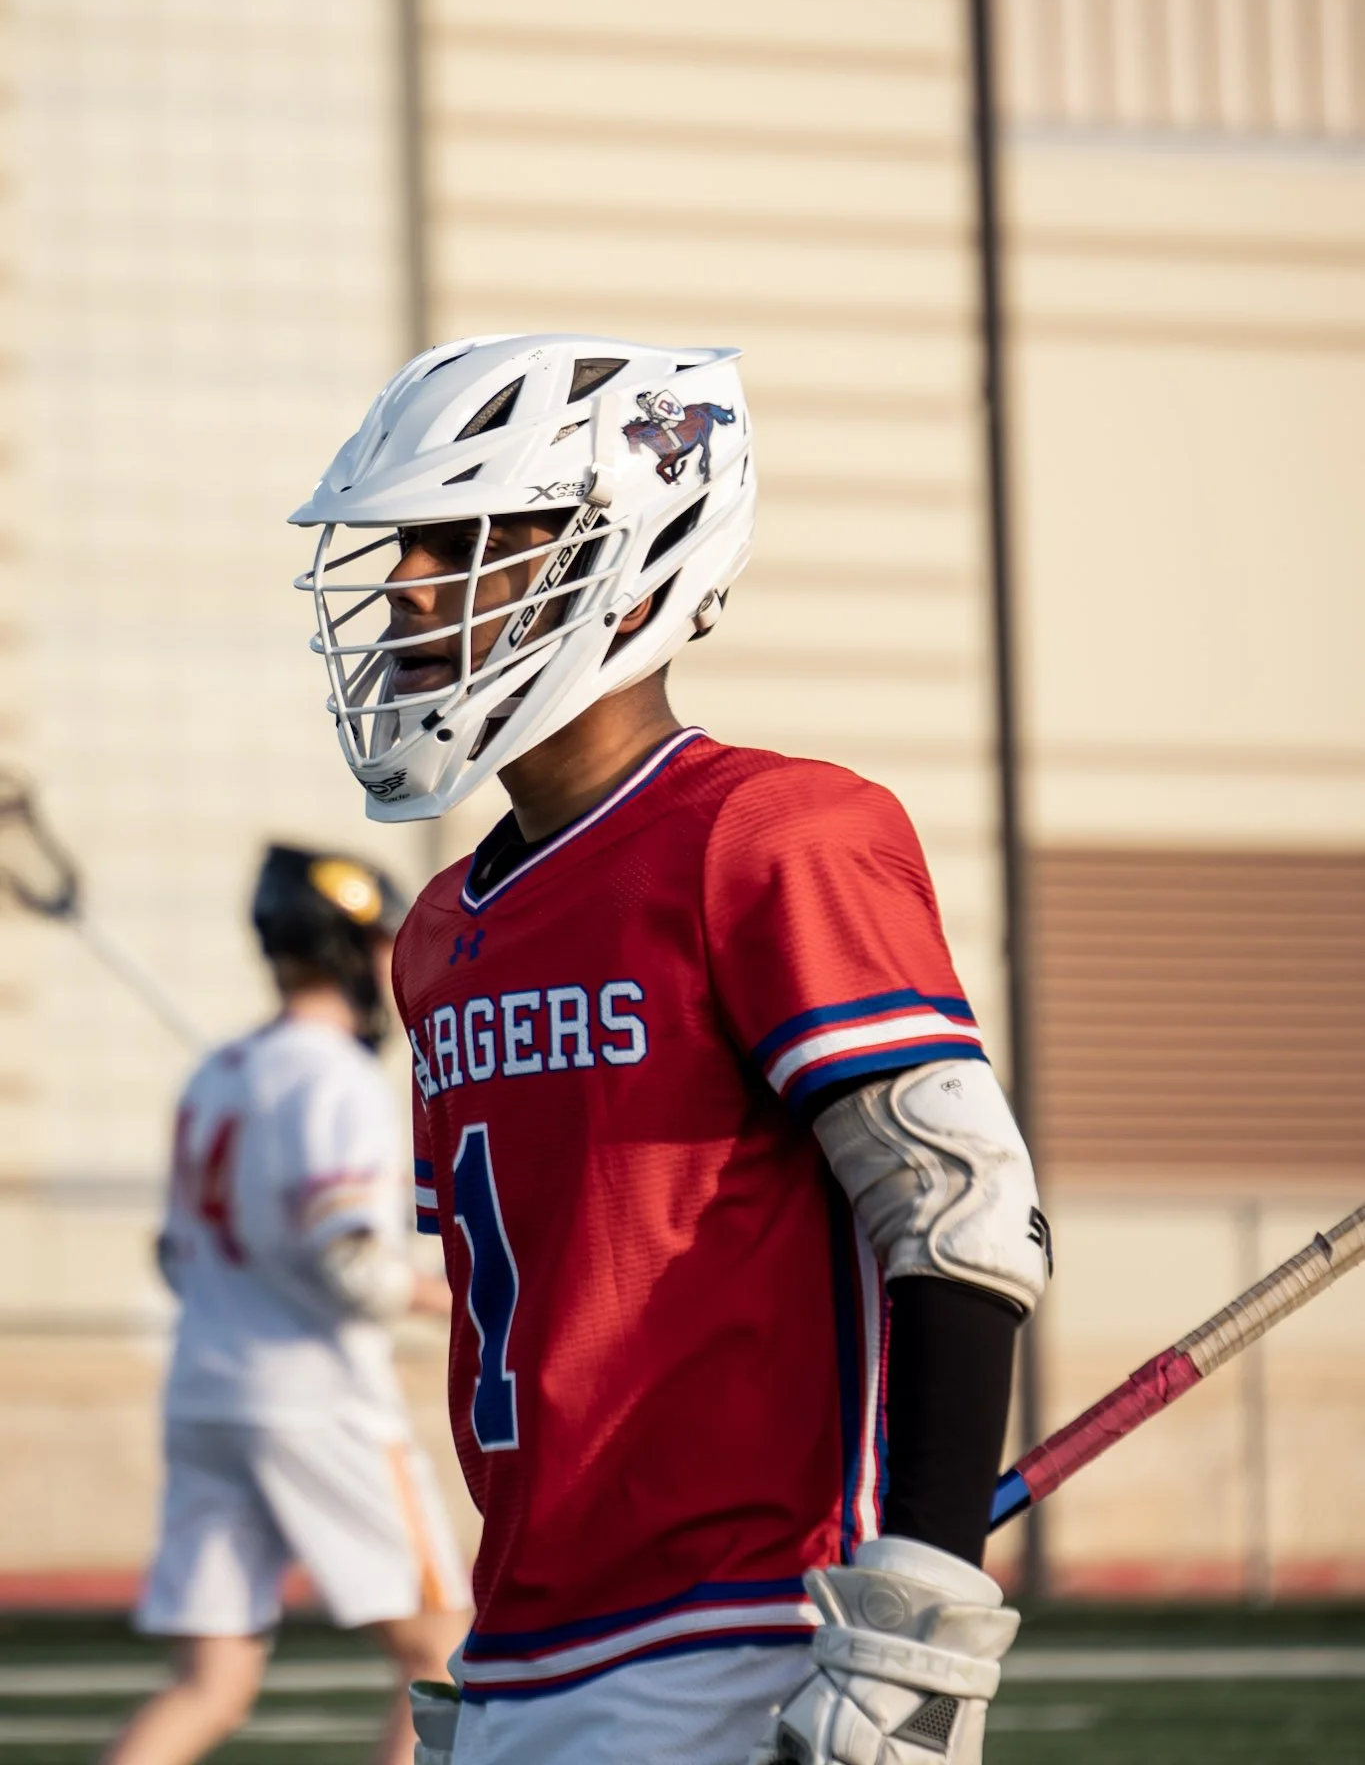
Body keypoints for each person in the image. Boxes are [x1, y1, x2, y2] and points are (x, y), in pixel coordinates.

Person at [289, 335, 1051, 1765]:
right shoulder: (443, 928)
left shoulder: (770, 835)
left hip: (740, 1635)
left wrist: (921, 1612)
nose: (400, 586)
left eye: (460, 542)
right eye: (401, 545)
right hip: (522, 1648)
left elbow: (959, 1212)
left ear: (626, 561)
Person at [105, 845, 472, 1765]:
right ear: (354, 948)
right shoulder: (333, 1077)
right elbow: (353, 1266)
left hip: (205, 1394)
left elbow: (173, 1254)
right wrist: (466, 1297)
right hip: (317, 1403)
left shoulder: (220, 1071)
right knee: (446, 1658)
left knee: (210, 1684)